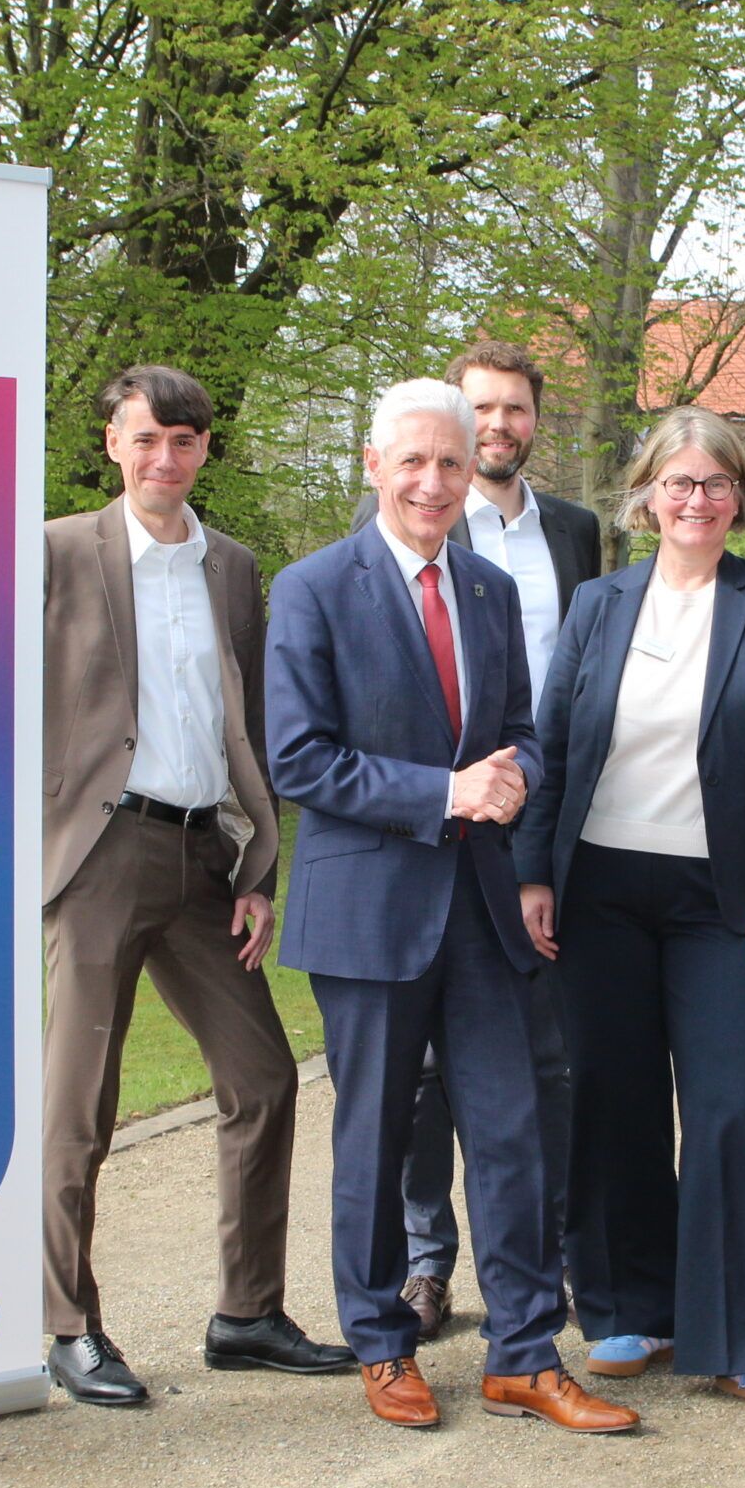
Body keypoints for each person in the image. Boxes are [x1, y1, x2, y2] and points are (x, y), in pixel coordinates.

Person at [265, 379, 636, 1434]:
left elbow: (516, 723)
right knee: (377, 1139)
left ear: (473, 472)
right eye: (413, 461)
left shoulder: (482, 589)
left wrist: (511, 772)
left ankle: (522, 1352)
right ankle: (381, 1344)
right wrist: (445, 792)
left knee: (513, 1133)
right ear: (373, 465)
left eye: (451, 463)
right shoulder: (312, 588)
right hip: (369, 913)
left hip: (479, 907)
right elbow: (298, 757)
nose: (433, 481)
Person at [40, 364, 353, 1407]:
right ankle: (69, 1322)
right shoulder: (53, 554)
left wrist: (257, 866)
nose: (163, 459)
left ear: (204, 450)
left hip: (203, 861)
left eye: (182, 441)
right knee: (79, 1100)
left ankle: (248, 1313)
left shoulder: (232, 565)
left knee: (262, 1080)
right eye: (144, 440)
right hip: (97, 856)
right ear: (112, 446)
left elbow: (244, 726)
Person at [514, 405, 745, 1421]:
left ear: (741, 497)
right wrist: (533, 872)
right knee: (614, 1098)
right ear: (645, 494)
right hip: (600, 887)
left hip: (723, 900)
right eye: (677, 483)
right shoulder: (599, 604)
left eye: (715, 483)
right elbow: (552, 745)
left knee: (731, 1103)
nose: (695, 501)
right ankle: (629, 1304)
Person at [347, 342, 604, 1343]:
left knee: (539, 1062)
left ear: (537, 421)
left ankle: (542, 1256)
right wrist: (442, 793)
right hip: (428, 823)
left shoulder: (575, 534)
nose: (497, 427)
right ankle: (425, 1260)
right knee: (419, 1080)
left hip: (541, 810)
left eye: (514, 411)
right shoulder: (395, 535)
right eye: (479, 411)